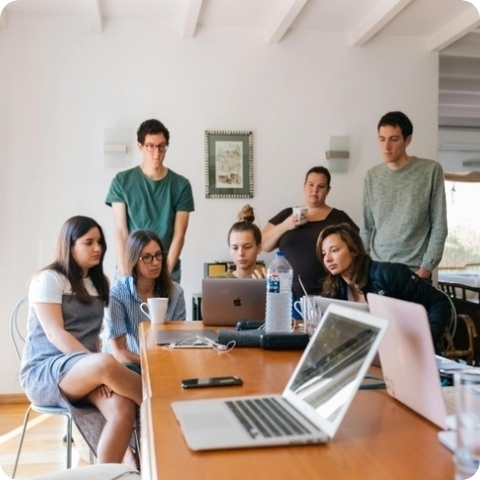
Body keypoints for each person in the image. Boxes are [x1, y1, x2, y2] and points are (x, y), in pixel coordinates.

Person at [19, 216, 142, 465]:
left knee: (123, 408)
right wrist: (97, 367)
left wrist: (96, 369)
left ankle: (111, 471)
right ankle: (166, 407)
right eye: (89, 242)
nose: (98, 248)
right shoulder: (50, 279)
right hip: (45, 371)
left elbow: (93, 337)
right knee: (107, 363)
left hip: (85, 370)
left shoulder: (99, 283)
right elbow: (56, 334)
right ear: (70, 245)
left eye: (100, 242)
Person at [317, 223, 452, 353]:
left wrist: (425, 340)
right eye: (323, 253)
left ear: (353, 250)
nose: (327, 259)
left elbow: (440, 301)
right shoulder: (336, 289)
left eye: (334, 250)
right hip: (375, 355)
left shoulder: (389, 273)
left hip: (411, 354)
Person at [361, 111, 448, 280]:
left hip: (414, 272)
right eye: (382, 139)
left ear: (407, 140)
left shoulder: (430, 171)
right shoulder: (372, 176)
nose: (386, 146)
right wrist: (363, 267)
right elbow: (367, 227)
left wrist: (426, 267)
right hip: (377, 268)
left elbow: (439, 224)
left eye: (393, 139)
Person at [105, 119, 195, 283]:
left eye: (162, 146)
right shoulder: (122, 181)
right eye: (151, 146)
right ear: (140, 146)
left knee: (166, 310)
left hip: (166, 267)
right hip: (131, 267)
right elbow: (121, 230)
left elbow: (179, 234)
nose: (157, 152)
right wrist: (124, 270)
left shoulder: (181, 185)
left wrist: (165, 273)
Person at [262, 166, 358, 299]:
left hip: (329, 294)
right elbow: (263, 244)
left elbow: (358, 249)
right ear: (304, 186)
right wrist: (285, 225)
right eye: (311, 184)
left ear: (328, 190)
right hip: (286, 295)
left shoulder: (338, 217)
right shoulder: (287, 214)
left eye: (321, 186)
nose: (315, 190)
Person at [105, 230, 186, 369]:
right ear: (134, 260)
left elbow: (177, 342)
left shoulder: (176, 292)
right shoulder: (116, 294)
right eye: (147, 257)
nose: (155, 263)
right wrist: (151, 364)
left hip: (165, 363)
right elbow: (119, 353)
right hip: (129, 365)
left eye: (158, 255)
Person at [213, 204, 263, 279]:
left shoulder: (269, 284)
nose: (240, 253)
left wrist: (264, 289)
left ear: (258, 248)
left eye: (247, 247)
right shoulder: (215, 282)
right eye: (235, 248)